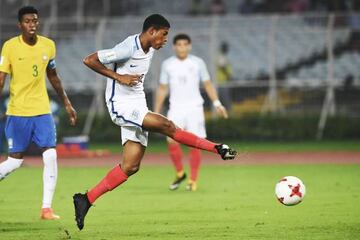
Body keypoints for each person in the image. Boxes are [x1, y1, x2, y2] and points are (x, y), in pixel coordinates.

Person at [73, 14, 237, 230]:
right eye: (164, 34)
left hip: (137, 104)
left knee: (131, 166)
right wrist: (119, 77)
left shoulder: (149, 49)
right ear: (151, 31)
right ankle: (216, 148)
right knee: (168, 126)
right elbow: (89, 59)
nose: (165, 40)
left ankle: (86, 199)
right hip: (120, 105)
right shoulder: (127, 48)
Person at [0, 6, 77, 220]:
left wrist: (67, 103)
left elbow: (53, 76)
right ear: (20, 25)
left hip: (42, 110)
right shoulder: (9, 47)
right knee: (15, 161)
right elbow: (1, 79)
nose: (32, 24)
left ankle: (46, 208)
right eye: (27, 21)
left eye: (34, 20)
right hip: (17, 112)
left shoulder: (48, 45)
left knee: (50, 154)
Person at [154, 33, 228, 191]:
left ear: (189, 46)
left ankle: (193, 181)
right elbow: (162, 88)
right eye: (179, 45)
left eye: (184, 44)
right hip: (175, 108)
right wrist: (156, 111)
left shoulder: (197, 63)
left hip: (195, 108)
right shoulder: (167, 64)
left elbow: (208, 84)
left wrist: (217, 103)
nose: (182, 47)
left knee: (195, 144)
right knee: (171, 141)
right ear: (174, 47)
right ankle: (180, 173)